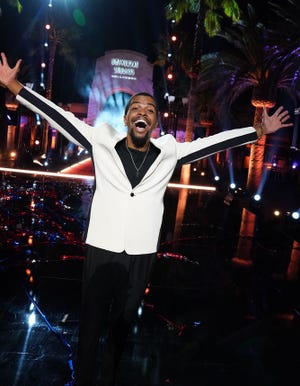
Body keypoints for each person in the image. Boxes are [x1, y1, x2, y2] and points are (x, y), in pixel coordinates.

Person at [0, 52, 293, 386]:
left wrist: (258, 130)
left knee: (121, 328)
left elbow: (214, 142)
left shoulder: (170, 151)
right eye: (136, 108)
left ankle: (108, 378)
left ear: (155, 123)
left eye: (150, 110)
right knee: (92, 324)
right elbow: (59, 117)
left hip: (140, 252)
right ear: (126, 118)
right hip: (102, 246)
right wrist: (15, 86)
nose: (143, 113)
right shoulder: (102, 140)